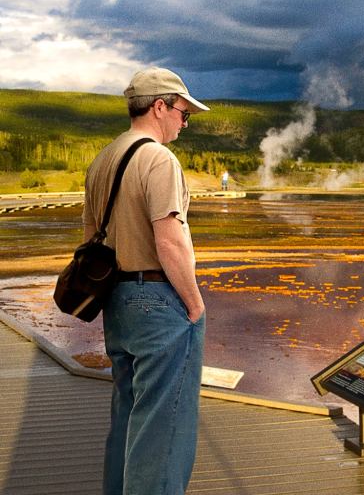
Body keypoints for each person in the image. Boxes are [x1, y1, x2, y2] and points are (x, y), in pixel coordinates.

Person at [83, 67, 210, 495]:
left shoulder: (103, 160)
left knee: (128, 413)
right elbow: (169, 240)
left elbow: (89, 240)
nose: (184, 122)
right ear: (159, 107)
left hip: (116, 301)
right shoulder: (158, 159)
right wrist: (194, 305)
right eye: (183, 113)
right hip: (157, 301)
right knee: (164, 429)